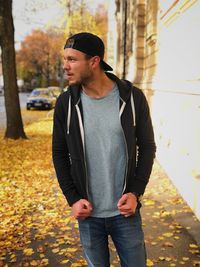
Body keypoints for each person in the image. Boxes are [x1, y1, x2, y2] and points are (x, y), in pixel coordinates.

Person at [52, 32, 156, 267]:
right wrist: (73, 199)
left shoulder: (132, 98)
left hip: (125, 213)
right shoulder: (66, 104)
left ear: (94, 61)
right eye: (65, 59)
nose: (65, 66)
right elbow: (59, 154)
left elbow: (147, 148)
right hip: (88, 214)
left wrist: (135, 192)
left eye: (72, 59)